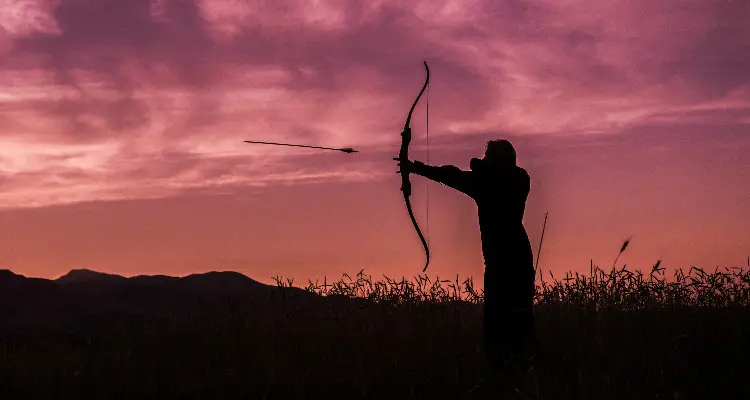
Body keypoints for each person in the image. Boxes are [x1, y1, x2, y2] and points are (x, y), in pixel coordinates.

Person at [396, 139, 537, 378]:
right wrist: (417, 167)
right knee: (520, 321)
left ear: (496, 162)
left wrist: (415, 167)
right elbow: (453, 174)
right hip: (520, 262)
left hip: (501, 266)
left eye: (488, 156)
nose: (484, 159)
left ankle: (502, 375)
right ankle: (522, 373)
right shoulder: (519, 179)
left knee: (499, 324)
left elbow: (455, 176)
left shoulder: (491, 183)